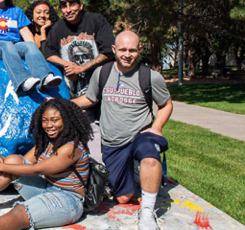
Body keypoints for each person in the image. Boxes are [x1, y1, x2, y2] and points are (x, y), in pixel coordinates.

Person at [72, 31, 173, 230]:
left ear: (140, 50)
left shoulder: (150, 77)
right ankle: (137, 172)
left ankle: (147, 212)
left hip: (139, 134)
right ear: (114, 50)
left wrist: (156, 128)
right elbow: (90, 99)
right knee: (123, 198)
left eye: (132, 50)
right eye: (123, 50)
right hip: (112, 141)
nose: (127, 54)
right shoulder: (102, 73)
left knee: (150, 154)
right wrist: (63, 104)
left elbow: (166, 104)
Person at [0, 97, 92, 230]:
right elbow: (23, 163)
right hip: (46, 188)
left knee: (21, 211)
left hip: (69, 200)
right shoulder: (47, 142)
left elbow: (37, 169)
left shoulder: (71, 147)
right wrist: (2, 161)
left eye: (55, 120)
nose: (49, 125)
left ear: (66, 121)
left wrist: (0, 166)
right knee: (13, 160)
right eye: (45, 120)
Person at [42, 0, 115, 163]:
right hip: (75, 91)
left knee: (106, 130)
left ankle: (107, 169)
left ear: (80, 5)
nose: (68, 9)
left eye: (72, 4)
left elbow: (108, 51)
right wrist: (67, 65)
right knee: (83, 129)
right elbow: (48, 53)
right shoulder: (59, 28)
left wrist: (82, 67)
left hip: (100, 86)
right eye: (63, 6)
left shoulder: (96, 20)